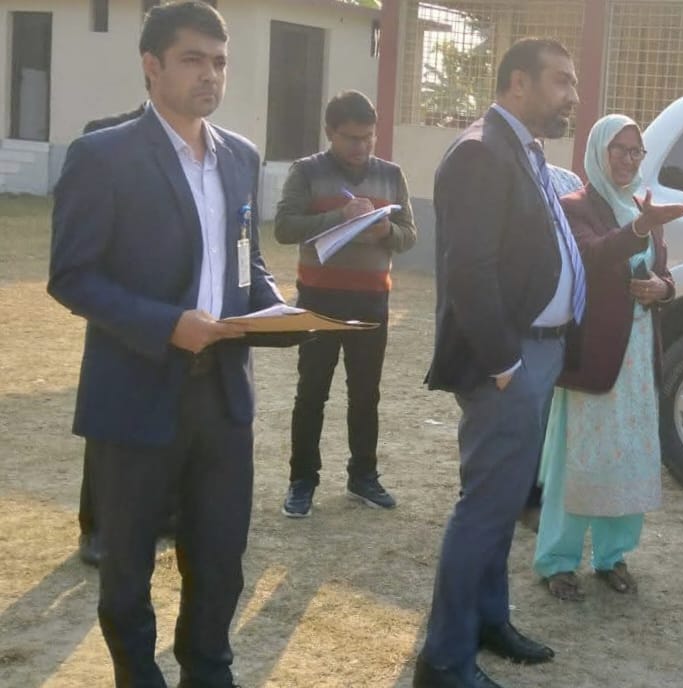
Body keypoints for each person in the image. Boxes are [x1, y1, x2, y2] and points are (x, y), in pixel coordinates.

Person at [47, 2, 284, 686]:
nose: (210, 74)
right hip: (136, 393)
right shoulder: (103, 155)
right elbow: (73, 275)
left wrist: (279, 309)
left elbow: (244, 262)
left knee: (220, 558)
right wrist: (165, 324)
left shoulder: (240, 156)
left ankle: (208, 672)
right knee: (128, 567)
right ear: (152, 66)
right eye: (193, 59)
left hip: (223, 396)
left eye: (220, 62)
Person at [416, 38, 583, 688]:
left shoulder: (523, 149)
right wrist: (506, 363)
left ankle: (489, 621)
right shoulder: (481, 152)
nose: (571, 95)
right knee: (485, 508)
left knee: (505, 499)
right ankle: (444, 660)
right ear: (518, 82)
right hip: (509, 362)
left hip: (538, 354)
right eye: (560, 81)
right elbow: (470, 270)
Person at [532, 114, 683, 601]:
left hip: (638, 358)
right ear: (598, 151)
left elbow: (663, 273)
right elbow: (591, 256)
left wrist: (663, 289)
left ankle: (612, 555)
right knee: (578, 460)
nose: (627, 159)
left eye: (635, 151)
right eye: (617, 149)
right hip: (596, 354)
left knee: (627, 458)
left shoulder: (640, 205)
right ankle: (558, 561)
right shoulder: (575, 206)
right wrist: (641, 226)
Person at [274, 90, 416, 517]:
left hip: (372, 301)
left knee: (366, 394)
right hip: (318, 298)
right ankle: (302, 480)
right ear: (330, 132)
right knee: (311, 393)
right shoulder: (306, 171)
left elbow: (409, 235)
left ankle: (363, 476)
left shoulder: (391, 174)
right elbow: (284, 227)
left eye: (368, 137)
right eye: (352, 138)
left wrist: (386, 232)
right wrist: (341, 217)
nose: (361, 146)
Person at [73, 102, 156, 568]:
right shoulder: (103, 138)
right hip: (121, 312)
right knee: (109, 427)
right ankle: (97, 526)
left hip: (180, 310)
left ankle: (162, 513)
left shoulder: (207, 146)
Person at [517, 160, 587, 534]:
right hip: (519, 328)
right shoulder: (501, 172)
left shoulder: (567, 180)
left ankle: (534, 499)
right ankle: (491, 496)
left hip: (561, 333)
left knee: (546, 421)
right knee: (509, 419)